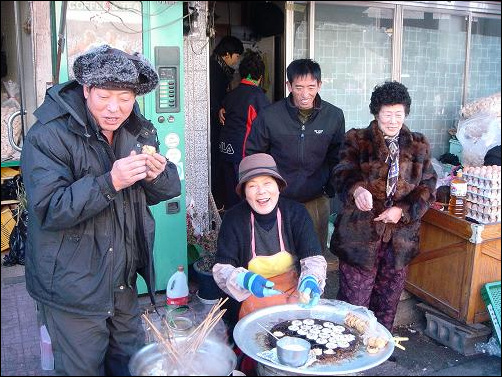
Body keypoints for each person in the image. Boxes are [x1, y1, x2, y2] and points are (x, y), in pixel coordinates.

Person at [20, 44, 182, 375]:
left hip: (122, 282)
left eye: (125, 98)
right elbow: (48, 208)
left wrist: (157, 175)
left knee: (129, 365)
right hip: (72, 288)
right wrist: (110, 182)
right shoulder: (48, 135)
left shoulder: (138, 129)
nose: (115, 108)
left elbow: (168, 189)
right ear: (86, 88)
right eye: (104, 96)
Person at [329, 81, 437, 331]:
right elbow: (341, 171)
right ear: (376, 112)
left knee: (388, 302)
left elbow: (428, 187)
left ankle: (380, 350)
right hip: (359, 236)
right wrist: (357, 190)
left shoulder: (418, 144)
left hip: (400, 240)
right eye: (387, 114)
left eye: (398, 114)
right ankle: (349, 354)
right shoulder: (357, 139)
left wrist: (402, 210)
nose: (392, 120)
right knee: (353, 302)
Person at [245, 58, 345, 254]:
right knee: (279, 254)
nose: (305, 94)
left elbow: (338, 155)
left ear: (319, 85)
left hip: (317, 198)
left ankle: (313, 285)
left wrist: (329, 188)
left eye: (311, 87)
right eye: (299, 87)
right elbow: (254, 155)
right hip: (278, 197)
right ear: (288, 85)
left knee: (314, 253)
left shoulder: (333, 115)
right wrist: (265, 190)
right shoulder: (270, 115)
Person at [213, 153, 327, 322]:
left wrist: (311, 278)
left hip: (293, 292)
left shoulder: (296, 213)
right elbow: (221, 268)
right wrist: (245, 279)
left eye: (267, 183)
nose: (261, 191)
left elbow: (313, 257)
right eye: (252, 186)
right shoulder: (233, 219)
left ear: (278, 186)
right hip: (249, 296)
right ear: (244, 192)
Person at [218, 49, 271, 210]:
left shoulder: (230, 95)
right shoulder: (259, 98)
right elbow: (267, 130)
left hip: (225, 151)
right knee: (244, 200)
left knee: (230, 197)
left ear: (241, 75)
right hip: (243, 156)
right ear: (260, 77)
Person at [210, 35, 244, 210]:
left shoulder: (221, 67)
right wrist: (218, 108)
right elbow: (209, 94)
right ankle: (217, 202)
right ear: (228, 54)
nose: (237, 61)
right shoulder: (214, 69)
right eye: (237, 56)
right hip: (213, 124)